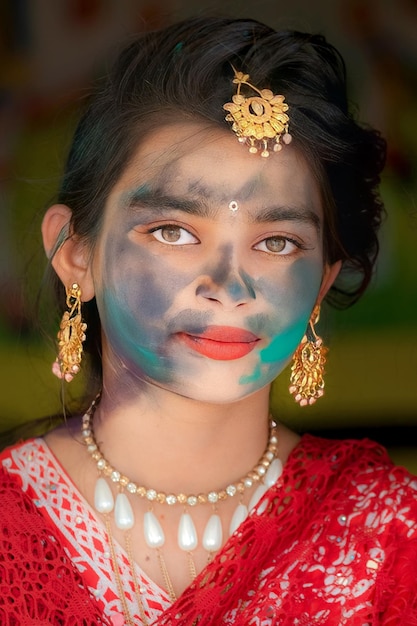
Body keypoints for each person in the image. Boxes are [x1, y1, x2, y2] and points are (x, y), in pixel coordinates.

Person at [1, 16, 416, 626]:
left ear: (322, 283)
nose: (229, 286)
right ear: (75, 255)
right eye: (174, 231)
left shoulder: (389, 536)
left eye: (277, 242)